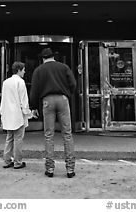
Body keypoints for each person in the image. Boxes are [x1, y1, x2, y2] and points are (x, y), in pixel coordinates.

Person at [30, 47, 76, 178]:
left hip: (47, 101)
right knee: (67, 134)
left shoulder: (39, 70)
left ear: (43, 58)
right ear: (53, 56)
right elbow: (73, 83)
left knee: (49, 135)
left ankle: (50, 169)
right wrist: (68, 95)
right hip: (63, 99)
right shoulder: (64, 67)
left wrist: (33, 106)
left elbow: (35, 90)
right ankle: (70, 169)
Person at [0, 61, 32, 169]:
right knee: (18, 139)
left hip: (8, 114)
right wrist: (28, 113)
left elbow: (3, 100)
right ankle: (18, 162)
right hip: (18, 115)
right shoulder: (20, 82)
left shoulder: (6, 82)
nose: (24, 71)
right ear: (19, 70)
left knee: (9, 138)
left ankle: (6, 160)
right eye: (23, 69)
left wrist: (2, 113)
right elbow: (24, 100)